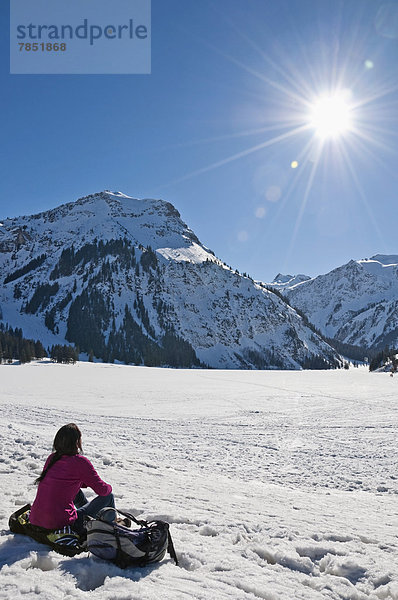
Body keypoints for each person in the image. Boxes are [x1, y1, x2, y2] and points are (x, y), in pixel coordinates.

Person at [29, 423, 115, 534]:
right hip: (60, 523)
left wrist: (82, 480)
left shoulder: (52, 458)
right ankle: (114, 526)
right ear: (76, 442)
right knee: (108, 496)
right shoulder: (80, 462)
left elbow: (64, 481)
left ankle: (94, 518)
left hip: (36, 519)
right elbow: (102, 491)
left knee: (76, 492)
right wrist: (109, 487)